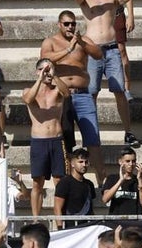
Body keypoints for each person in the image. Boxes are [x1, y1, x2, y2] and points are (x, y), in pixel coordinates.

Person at [75, 0, 138, 148]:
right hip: (93, 49)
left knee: (120, 90)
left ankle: (128, 132)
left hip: (111, 48)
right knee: (91, 92)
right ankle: (92, 134)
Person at [40, 11, 106, 183]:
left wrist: (81, 42)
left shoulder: (83, 40)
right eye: (66, 24)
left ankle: (102, 184)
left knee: (93, 139)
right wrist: (68, 49)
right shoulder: (51, 41)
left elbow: (98, 54)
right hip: (61, 96)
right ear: (59, 24)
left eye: (73, 24)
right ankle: (67, 184)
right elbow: (45, 59)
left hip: (83, 94)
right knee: (65, 141)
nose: (70, 27)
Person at [23, 58, 69, 216]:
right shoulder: (29, 90)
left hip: (56, 140)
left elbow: (67, 93)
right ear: (38, 71)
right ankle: (36, 219)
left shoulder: (57, 90)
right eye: (44, 69)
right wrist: (40, 77)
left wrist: (55, 76)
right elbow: (28, 99)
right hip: (39, 141)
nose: (48, 73)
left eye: (50, 69)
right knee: (37, 183)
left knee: (60, 182)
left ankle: (61, 219)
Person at [54, 148, 96, 224]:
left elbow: (90, 208)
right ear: (72, 164)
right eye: (80, 162)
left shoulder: (89, 184)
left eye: (86, 162)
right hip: (71, 229)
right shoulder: (64, 182)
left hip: (87, 229)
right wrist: (60, 230)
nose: (84, 165)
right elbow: (57, 208)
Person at [101, 148, 142, 216]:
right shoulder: (112, 178)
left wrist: (139, 179)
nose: (131, 164)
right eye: (127, 161)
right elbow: (105, 199)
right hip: (116, 222)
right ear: (120, 162)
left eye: (133, 161)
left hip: (135, 223)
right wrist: (120, 181)